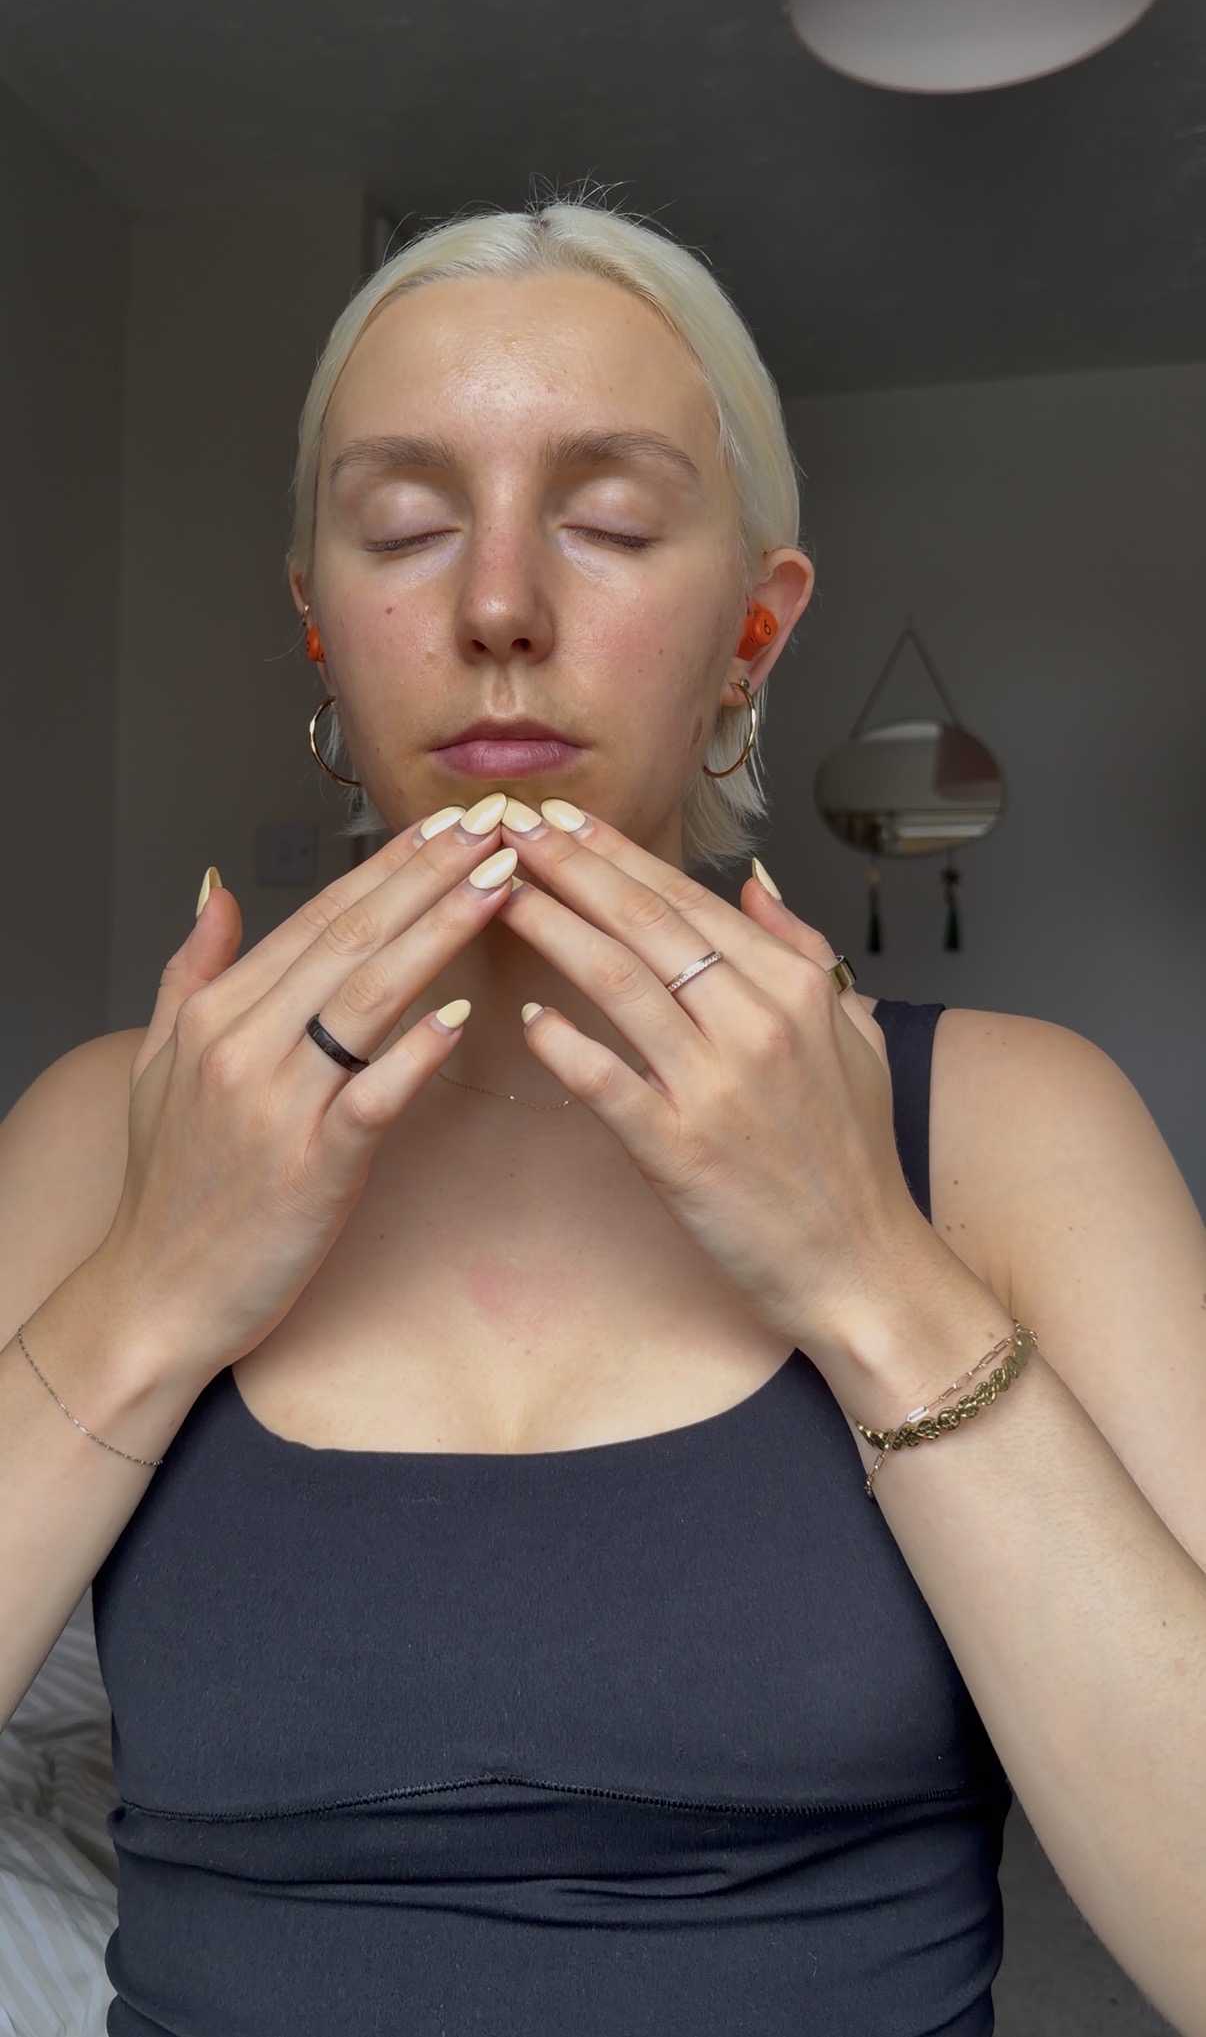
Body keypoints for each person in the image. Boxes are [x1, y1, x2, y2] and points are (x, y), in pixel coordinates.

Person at [1, 197, 1203, 2037]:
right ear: (319, 624)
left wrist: (862, 1265)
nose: (497, 608)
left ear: (751, 627)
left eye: (610, 520)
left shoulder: (1012, 1125)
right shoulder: (121, 1126)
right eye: (405, 527)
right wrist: (152, 1287)